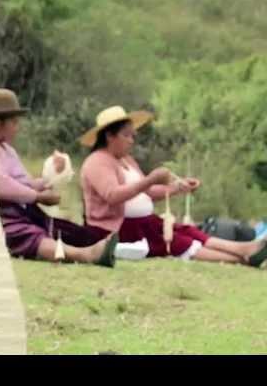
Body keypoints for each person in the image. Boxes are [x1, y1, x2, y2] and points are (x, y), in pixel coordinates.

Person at [79, 105, 267, 267]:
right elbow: (112, 195)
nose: (131, 141)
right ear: (110, 136)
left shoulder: (126, 160)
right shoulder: (97, 162)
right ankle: (241, 258)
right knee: (176, 242)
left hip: (142, 222)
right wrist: (150, 179)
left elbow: (147, 192)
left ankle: (243, 249)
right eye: (126, 135)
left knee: (187, 231)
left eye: (132, 135)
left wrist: (178, 188)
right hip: (117, 228)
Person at [0, 89, 117, 267]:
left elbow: (25, 183)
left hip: (15, 209)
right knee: (26, 234)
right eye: (14, 122)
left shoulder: (7, 150)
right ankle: (85, 255)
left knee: (65, 230)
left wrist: (52, 176)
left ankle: (103, 247)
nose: (17, 128)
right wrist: (37, 197)